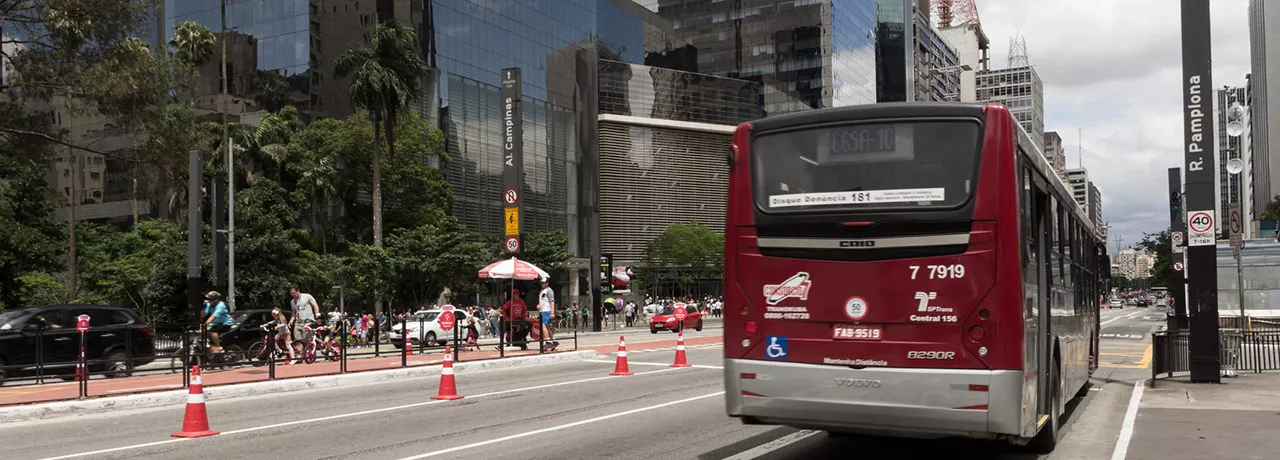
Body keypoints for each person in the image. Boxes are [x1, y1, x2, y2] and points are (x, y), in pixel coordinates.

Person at [288, 284, 321, 350]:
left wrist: (317, 316)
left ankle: (307, 356)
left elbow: (315, 305)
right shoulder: (292, 302)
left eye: (294, 293)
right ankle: (300, 357)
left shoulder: (307, 296)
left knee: (307, 340)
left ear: (298, 291)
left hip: (307, 322)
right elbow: (294, 313)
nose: (293, 295)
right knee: (298, 341)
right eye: (291, 293)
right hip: (298, 323)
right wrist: (291, 320)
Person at [537, 279, 558, 348]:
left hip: (547, 310)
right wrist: (539, 305)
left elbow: (552, 301)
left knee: (543, 326)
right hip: (543, 310)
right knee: (547, 326)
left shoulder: (548, 290)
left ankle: (548, 341)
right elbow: (543, 300)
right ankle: (554, 340)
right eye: (541, 283)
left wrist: (552, 312)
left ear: (547, 283)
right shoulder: (542, 291)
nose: (542, 284)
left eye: (543, 283)